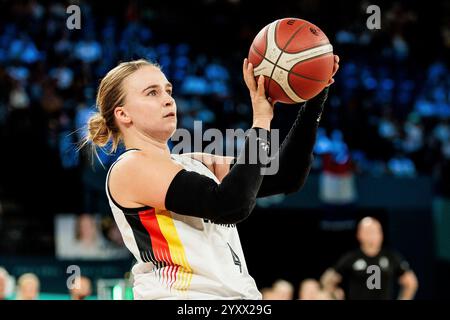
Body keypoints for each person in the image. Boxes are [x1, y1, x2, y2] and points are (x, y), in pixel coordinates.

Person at [83, 55, 339, 299]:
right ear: (123, 114)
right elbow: (230, 204)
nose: (168, 99)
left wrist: (314, 97)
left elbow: (286, 177)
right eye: (152, 92)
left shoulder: (192, 162)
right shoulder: (130, 167)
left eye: (168, 91)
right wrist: (261, 120)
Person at [320, 216, 418, 300]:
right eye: (368, 231)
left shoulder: (391, 256)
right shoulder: (351, 257)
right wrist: (334, 294)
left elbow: (410, 282)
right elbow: (328, 279)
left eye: (376, 231)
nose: (373, 235)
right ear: (359, 235)